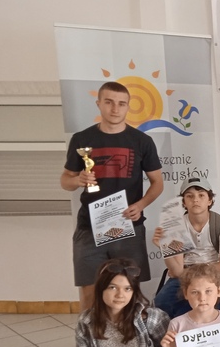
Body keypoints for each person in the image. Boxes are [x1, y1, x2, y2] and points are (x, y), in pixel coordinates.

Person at [61, 81, 164, 312]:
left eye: (121, 104)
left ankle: (128, 335)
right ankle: (91, 337)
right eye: (109, 102)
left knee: (128, 292)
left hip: (128, 226)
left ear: (128, 106)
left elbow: (158, 183)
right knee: (90, 292)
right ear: (99, 104)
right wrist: (78, 180)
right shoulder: (81, 139)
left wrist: (141, 204)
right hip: (89, 228)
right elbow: (65, 180)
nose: (115, 109)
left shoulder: (142, 141)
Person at [151, 177, 220, 318]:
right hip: (185, 273)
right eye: (190, 196)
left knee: (204, 305)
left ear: (210, 200)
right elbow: (177, 270)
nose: (195, 200)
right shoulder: (177, 226)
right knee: (161, 302)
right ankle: (171, 331)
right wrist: (165, 248)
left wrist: (194, 271)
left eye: (201, 195)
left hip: (210, 273)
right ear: (183, 202)